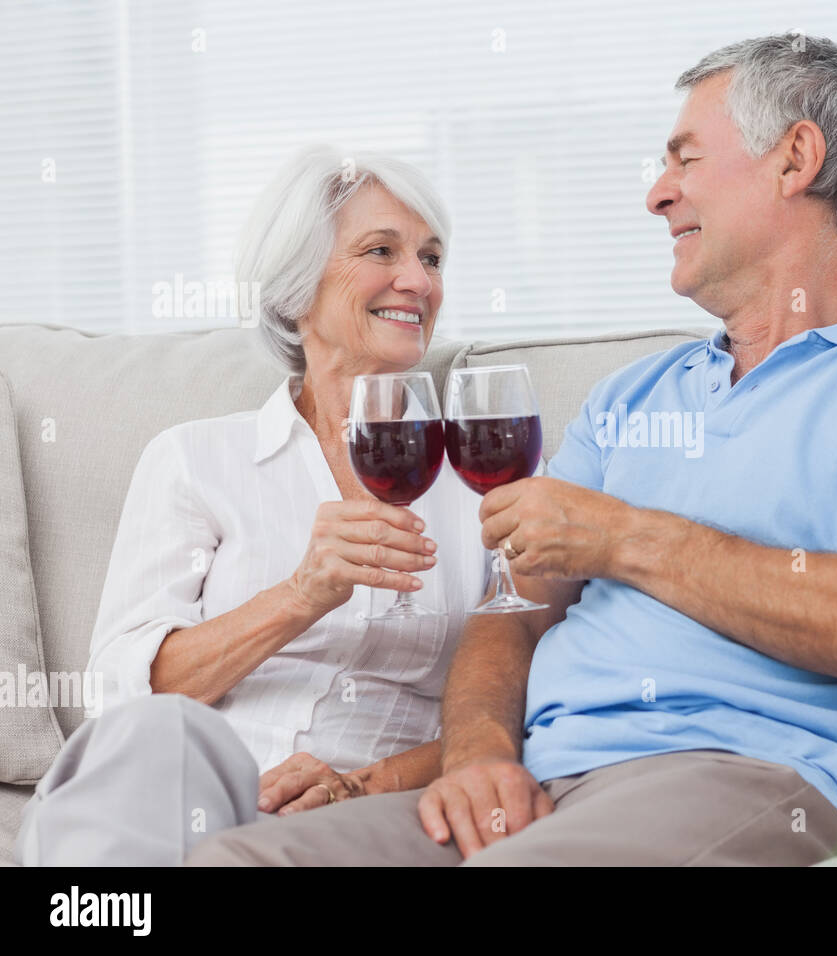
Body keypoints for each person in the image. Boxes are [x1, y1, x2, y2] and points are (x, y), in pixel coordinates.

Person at [189, 33, 837, 867]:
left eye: (685, 160)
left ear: (795, 158)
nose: (657, 196)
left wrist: (625, 537)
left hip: (736, 775)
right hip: (540, 780)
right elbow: (510, 608)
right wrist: (478, 753)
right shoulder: (631, 397)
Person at [17, 145, 489, 865]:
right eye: (381, 250)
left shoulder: (481, 476)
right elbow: (126, 705)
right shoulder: (196, 459)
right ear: (297, 289)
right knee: (158, 749)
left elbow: (515, 705)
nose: (418, 280)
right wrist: (303, 594)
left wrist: (360, 787)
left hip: (357, 815)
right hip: (177, 798)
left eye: (432, 257)